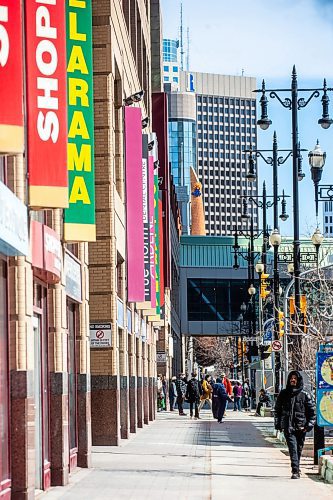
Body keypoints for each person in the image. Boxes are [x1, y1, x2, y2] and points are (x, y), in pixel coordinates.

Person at [274, 370, 315, 479]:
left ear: (298, 380)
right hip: (288, 426)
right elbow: (277, 410)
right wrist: (278, 424)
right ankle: (295, 470)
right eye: (291, 378)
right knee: (292, 448)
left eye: (295, 378)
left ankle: (297, 467)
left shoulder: (305, 394)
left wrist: (308, 426)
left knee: (298, 449)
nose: (293, 380)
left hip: (301, 427)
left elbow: (312, 413)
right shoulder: (283, 393)